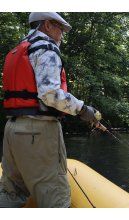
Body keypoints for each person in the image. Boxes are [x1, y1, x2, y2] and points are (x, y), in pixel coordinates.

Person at [0, 12, 102, 208]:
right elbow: (50, 94)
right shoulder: (46, 48)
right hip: (38, 132)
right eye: (60, 28)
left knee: (11, 192)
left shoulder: (18, 49)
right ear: (47, 25)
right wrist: (83, 110)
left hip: (12, 131)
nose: (62, 34)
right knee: (56, 199)